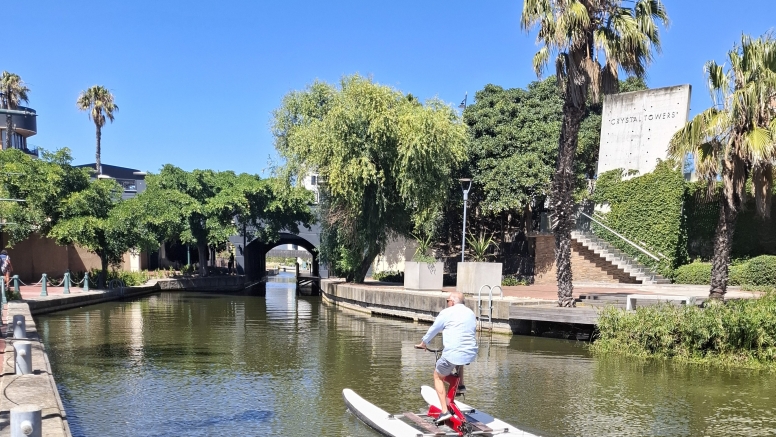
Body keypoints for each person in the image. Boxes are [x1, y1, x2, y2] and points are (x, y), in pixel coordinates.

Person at [415, 291, 478, 424]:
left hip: (453, 353)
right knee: (458, 359)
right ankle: (461, 385)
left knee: (438, 376)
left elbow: (434, 329)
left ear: (453, 302)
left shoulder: (447, 312)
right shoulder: (470, 313)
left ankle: (444, 411)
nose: (447, 303)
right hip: (471, 353)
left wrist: (423, 343)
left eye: (448, 301)